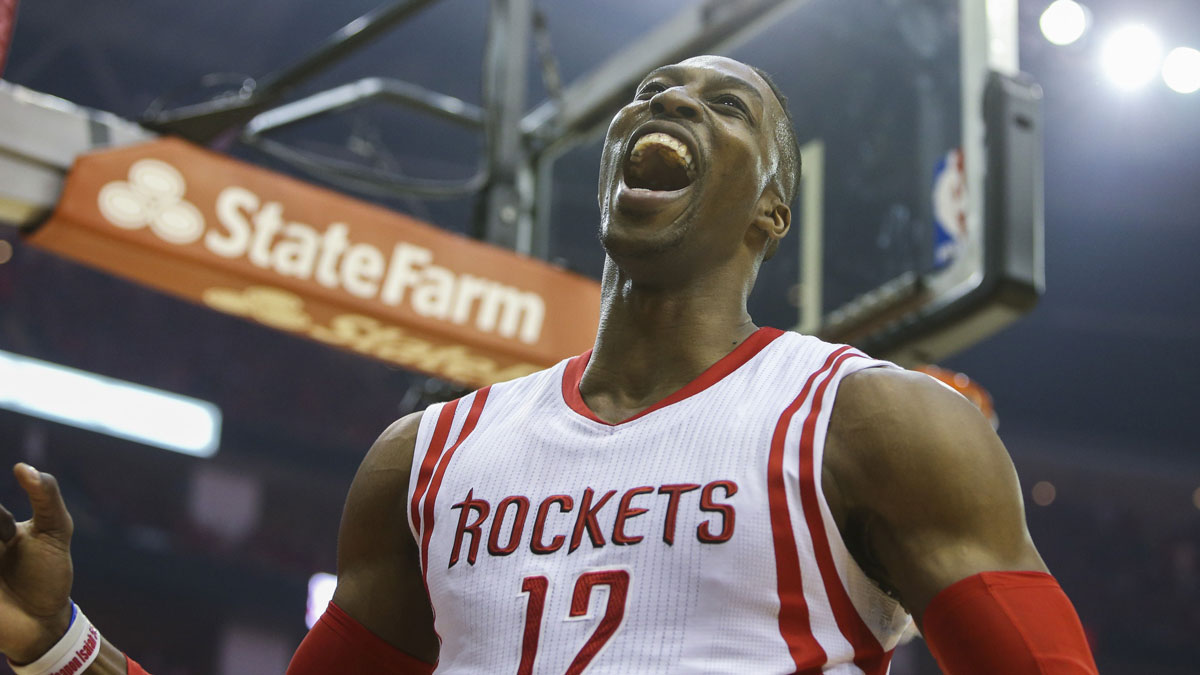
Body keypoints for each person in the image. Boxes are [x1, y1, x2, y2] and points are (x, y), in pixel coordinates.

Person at [1, 56, 1097, 674]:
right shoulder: (424, 458)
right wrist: (58, 650)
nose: (667, 104)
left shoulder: (866, 422)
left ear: (773, 207)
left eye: (726, 107)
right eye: (653, 94)